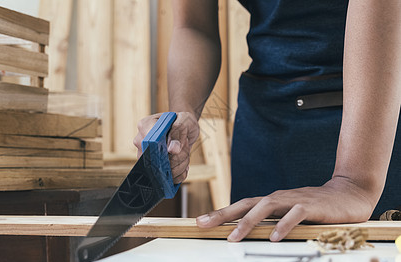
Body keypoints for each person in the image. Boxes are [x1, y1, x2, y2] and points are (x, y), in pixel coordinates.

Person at [134, 0, 401, 242]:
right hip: (265, 128)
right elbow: (194, 26)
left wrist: (355, 183)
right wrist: (183, 116)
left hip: (376, 133)